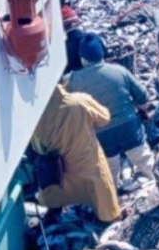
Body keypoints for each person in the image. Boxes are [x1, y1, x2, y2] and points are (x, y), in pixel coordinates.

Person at [64, 34, 155, 188]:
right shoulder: (119, 71)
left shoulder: (71, 80)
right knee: (145, 161)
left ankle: (114, 197)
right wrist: (143, 112)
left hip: (101, 134)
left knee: (109, 172)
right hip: (129, 129)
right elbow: (144, 99)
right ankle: (157, 181)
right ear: (102, 54)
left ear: (82, 58)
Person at [31, 83, 121, 223]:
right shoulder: (79, 101)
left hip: (60, 169)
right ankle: (110, 218)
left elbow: (37, 147)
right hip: (89, 165)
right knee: (104, 198)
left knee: (56, 193)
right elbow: (105, 118)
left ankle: (54, 212)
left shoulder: (36, 115)